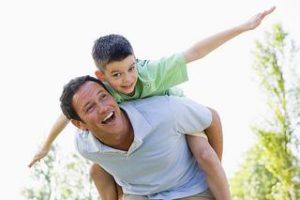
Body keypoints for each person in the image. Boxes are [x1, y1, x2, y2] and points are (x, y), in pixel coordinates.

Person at [29, 6, 275, 199]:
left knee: (205, 155)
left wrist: (243, 27)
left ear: (136, 60)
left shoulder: (152, 72)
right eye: (117, 74)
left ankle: (214, 186)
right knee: (96, 170)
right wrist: (46, 146)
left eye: (131, 68)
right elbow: (68, 114)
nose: (127, 80)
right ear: (101, 76)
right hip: (141, 139)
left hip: (174, 121)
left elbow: (195, 52)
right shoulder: (100, 93)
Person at [60, 75, 227, 199]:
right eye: (90, 108)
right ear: (80, 124)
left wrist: (215, 168)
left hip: (188, 188)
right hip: (140, 194)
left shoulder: (166, 111)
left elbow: (212, 119)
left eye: (103, 97)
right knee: (97, 170)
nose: (103, 108)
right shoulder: (84, 146)